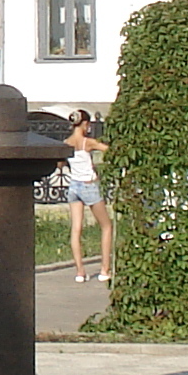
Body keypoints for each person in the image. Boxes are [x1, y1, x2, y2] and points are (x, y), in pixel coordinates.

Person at [60, 110, 105, 283]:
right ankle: (105, 269)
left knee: (76, 229)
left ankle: (80, 271)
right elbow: (109, 150)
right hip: (88, 185)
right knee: (106, 226)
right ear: (85, 124)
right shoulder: (88, 142)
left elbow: (60, 163)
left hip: (74, 186)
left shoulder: (67, 143)